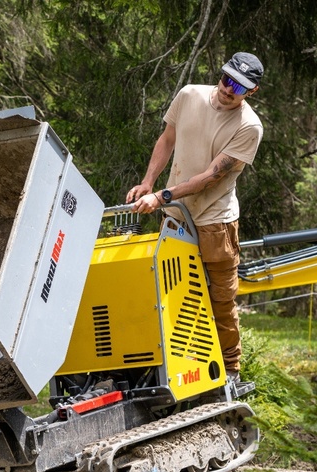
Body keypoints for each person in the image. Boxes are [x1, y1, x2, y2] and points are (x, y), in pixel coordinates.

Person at [126, 52, 264, 381]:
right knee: (173, 294)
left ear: (252, 91)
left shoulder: (249, 126)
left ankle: (229, 372)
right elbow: (167, 139)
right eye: (227, 79)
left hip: (215, 222)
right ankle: (179, 367)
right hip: (175, 218)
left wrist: (161, 196)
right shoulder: (189, 95)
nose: (228, 89)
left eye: (239, 87)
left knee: (220, 301)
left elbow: (209, 178)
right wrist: (148, 182)